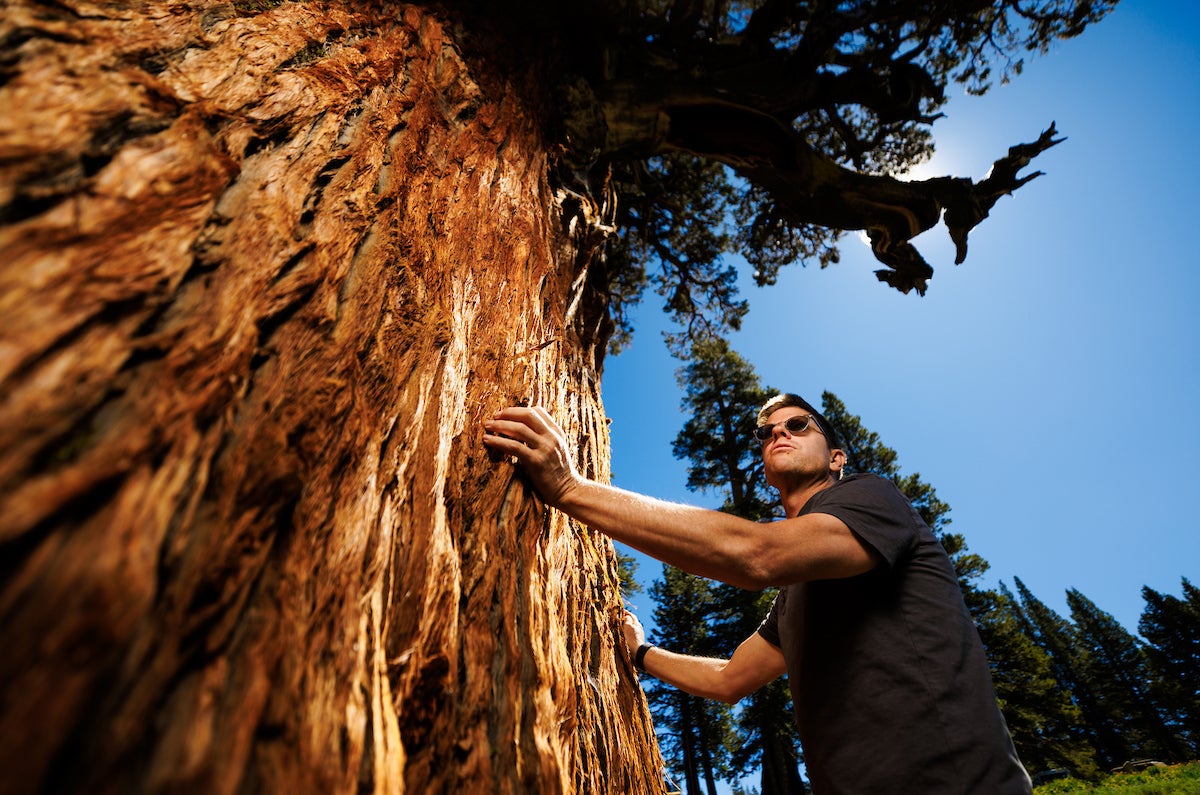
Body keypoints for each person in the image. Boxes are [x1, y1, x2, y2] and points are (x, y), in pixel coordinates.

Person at [482, 393, 1031, 793]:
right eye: (768, 433)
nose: (779, 434)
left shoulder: (872, 499)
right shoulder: (797, 598)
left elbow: (757, 555)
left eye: (799, 425)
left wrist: (569, 488)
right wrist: (639, 653)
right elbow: (727, 680)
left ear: (836, 457)